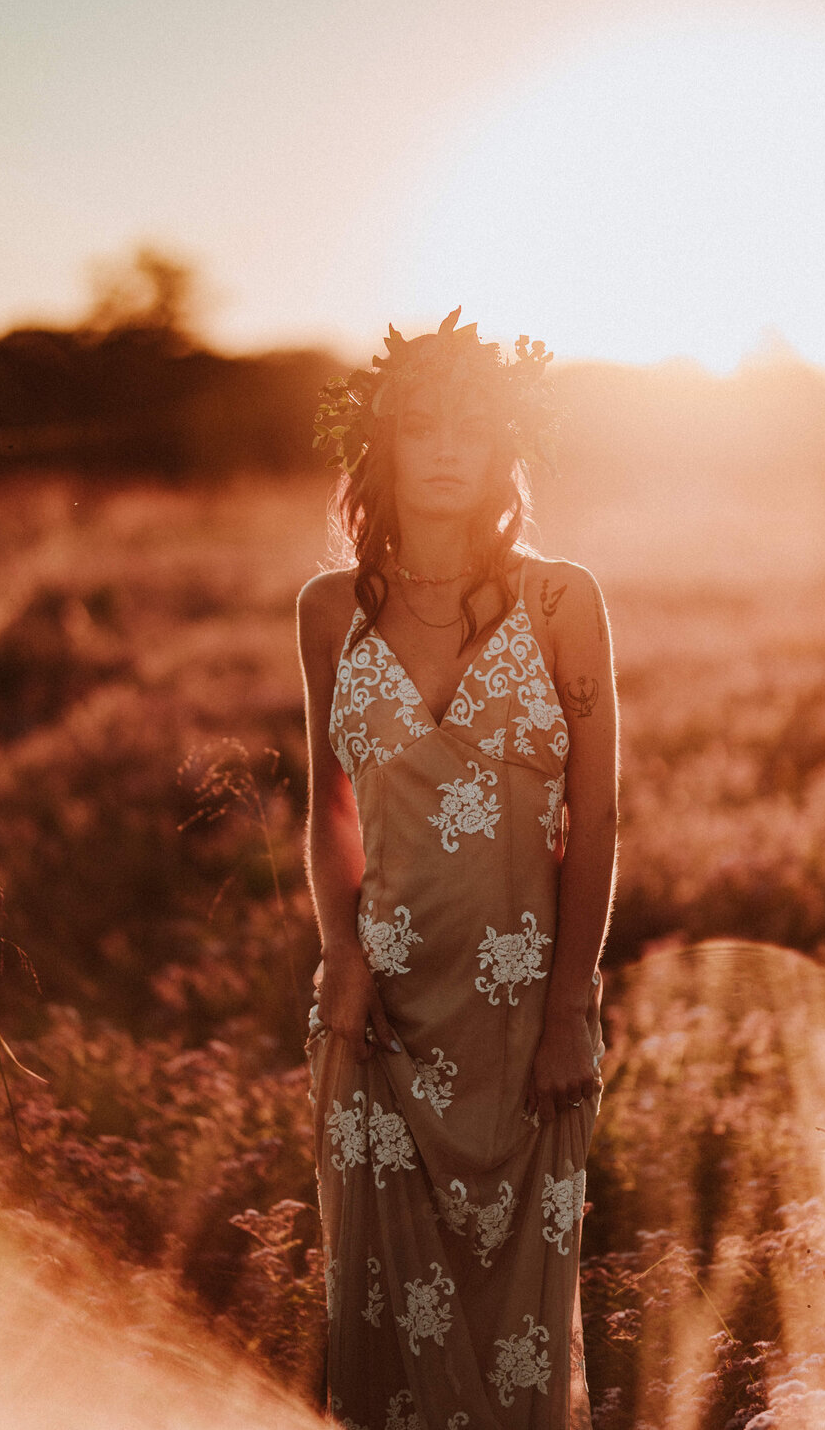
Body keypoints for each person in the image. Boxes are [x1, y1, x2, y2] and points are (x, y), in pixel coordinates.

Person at [299, 308, 618, 1430]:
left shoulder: (562, 601)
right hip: (378, 1021)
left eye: (468, 429)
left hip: (520, 1021)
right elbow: (327, 804)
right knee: (381, 1338)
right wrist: (340, 952)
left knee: (514, 1338)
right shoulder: (329, 610)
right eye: (418, 425)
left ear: (501, 451)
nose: (442, 449)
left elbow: (598, 810)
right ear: (377, 445)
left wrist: (572, 1003)